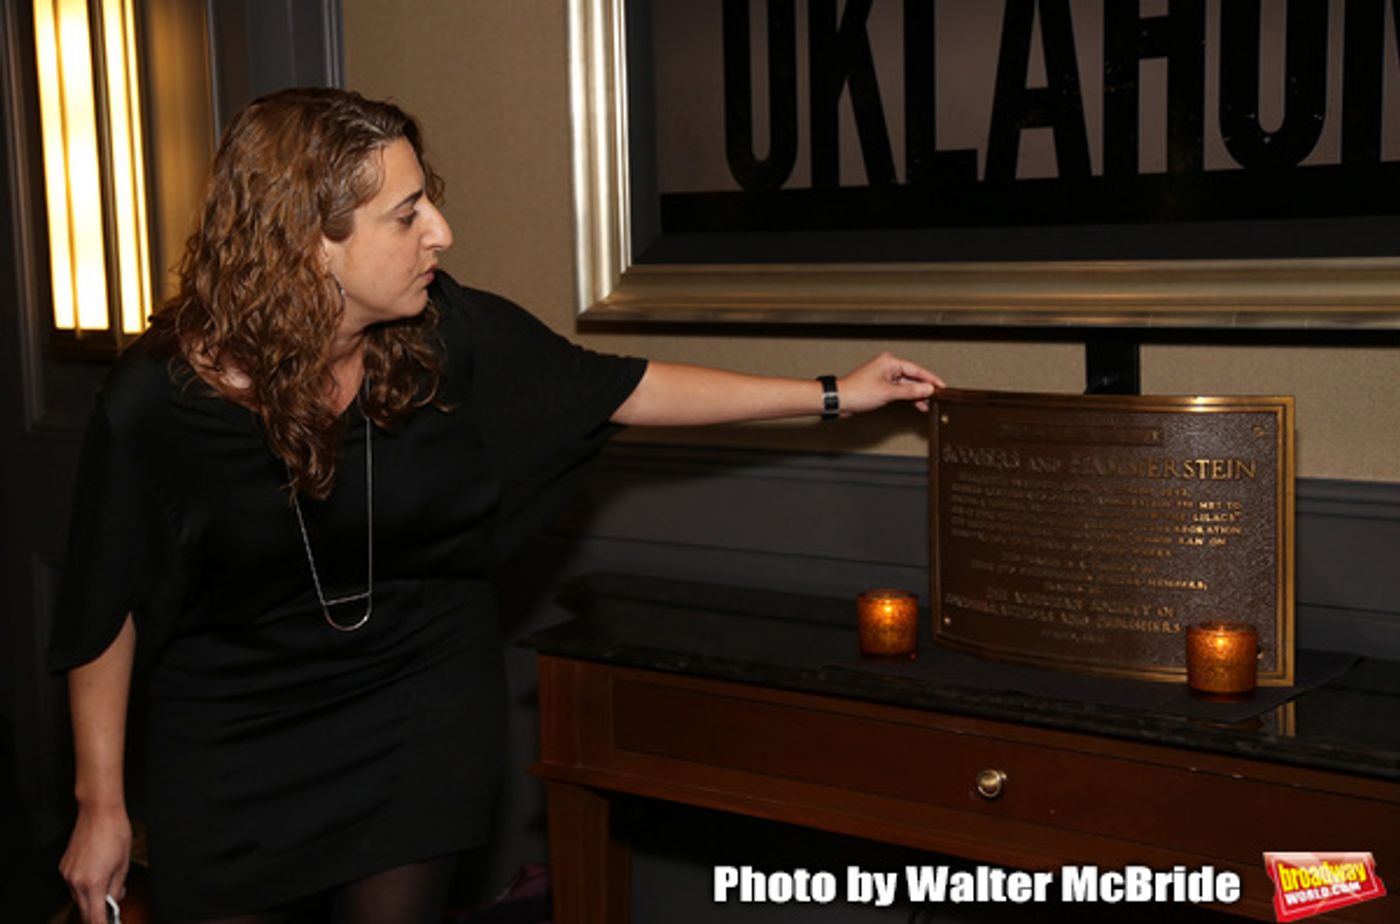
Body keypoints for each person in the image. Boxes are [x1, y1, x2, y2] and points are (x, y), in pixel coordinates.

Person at [50, 87, 943, 924]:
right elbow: (104, 607)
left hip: (414, 709)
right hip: (231, 737)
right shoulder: (158, 401)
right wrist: (101, 806)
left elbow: (619, 387)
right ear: (307, 241)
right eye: (405, 215)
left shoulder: (443, 333)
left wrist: (833, 393)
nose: (440, 231)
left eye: (425, 199)